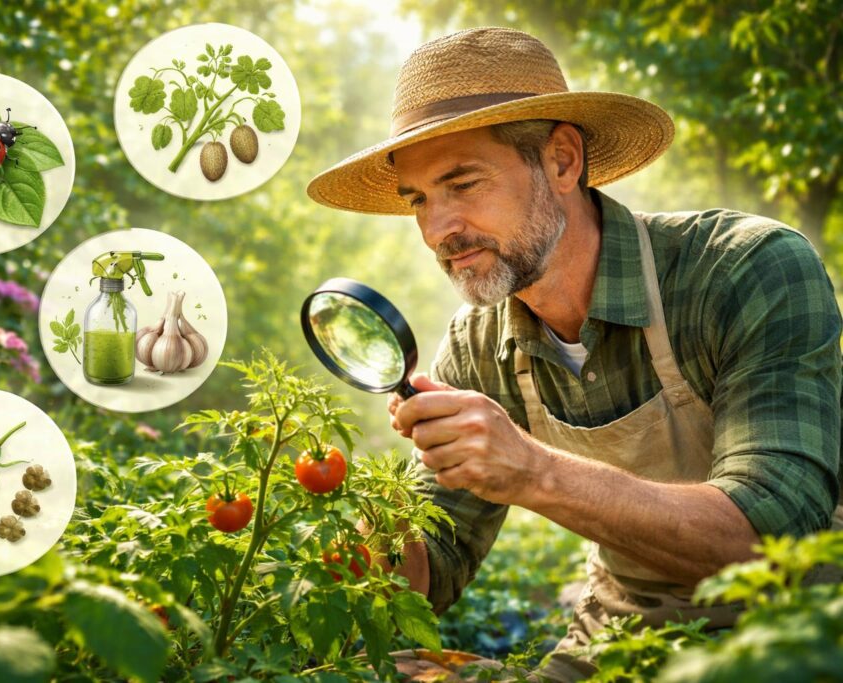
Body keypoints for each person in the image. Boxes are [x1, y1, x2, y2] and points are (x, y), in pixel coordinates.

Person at [307, 26, 843, 681]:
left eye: (463, 183)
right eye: (418, 200)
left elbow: (771, 540)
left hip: (799, 636)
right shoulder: (477, 347)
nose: (437, 230)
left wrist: (532, 470)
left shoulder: (742, 271)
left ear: (562, 160)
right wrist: (357, 527)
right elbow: (429, 572)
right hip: (616, 645)